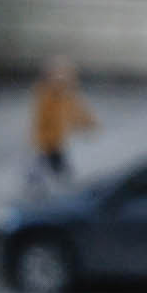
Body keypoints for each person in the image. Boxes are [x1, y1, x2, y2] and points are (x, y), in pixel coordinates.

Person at [27, 56, 97, 194]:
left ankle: (40, 184)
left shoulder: (65, 96)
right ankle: (39, 186)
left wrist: (88, 124)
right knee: (47, 165)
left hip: (55, 140)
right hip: (46, 141)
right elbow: (43, 120)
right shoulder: (47, 96)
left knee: (51, 165)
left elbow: (77, 112)